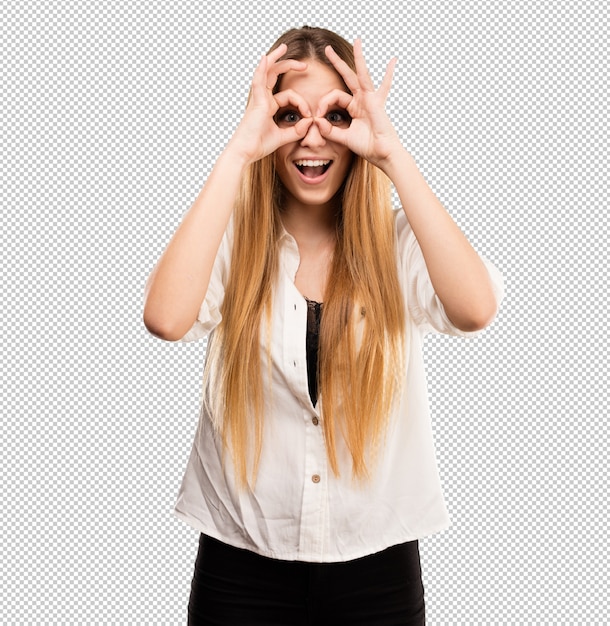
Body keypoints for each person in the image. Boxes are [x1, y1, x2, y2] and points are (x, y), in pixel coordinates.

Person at [143, 25, 503, 626]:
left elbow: (475, 308)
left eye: (335, 114)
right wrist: (237, 150)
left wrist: (391, 151)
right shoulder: (231, 239)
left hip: (377, 569)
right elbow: (165, 318)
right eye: (289, 115)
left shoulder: (393, 241)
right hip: (241, 566)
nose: (313, 137)